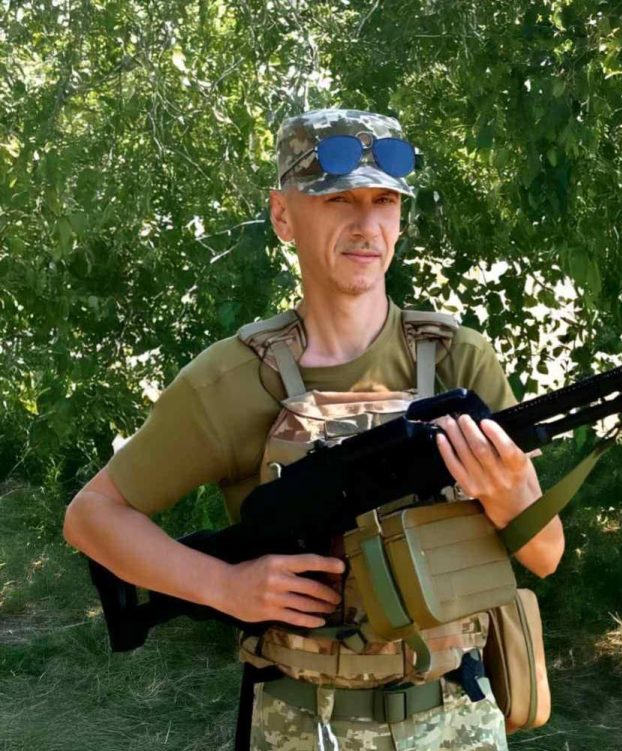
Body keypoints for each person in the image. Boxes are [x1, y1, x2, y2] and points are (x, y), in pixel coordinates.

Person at [63, 109, 564, 751]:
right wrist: (224, 587)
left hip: (457, 720)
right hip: (303, 726)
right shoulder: (233, 379)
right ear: (283, 216)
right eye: (338, 200)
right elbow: (91, 516)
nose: (366, 225)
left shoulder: (460, 361)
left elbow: (545, 554)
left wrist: (507, 493)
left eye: (384, 201)